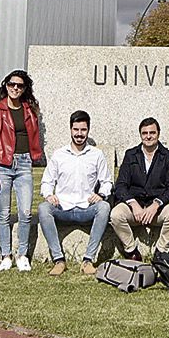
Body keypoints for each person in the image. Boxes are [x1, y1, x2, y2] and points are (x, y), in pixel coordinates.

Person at [37, 110, 113, 276]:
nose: (79, 134)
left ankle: (88, 260)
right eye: (76, 129)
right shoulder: (59, 155)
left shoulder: (96, 154)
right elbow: (47, 181)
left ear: (88, 130)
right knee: (43, 208)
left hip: (87, 208)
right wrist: (49, 195)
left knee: (105, 207)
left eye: (83, 130)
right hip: (62, 207)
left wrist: (100, 194)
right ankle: (58, 260)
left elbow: (107, 182)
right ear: (71, 129)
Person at [0, 70, 45, 272]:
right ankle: (5, 255)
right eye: (12, 84)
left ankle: (22, 254)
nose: (15, 88)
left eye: (20, 85)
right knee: (3, 214)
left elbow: (34, 136)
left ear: (25, 88)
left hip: (24, 163)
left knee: (26, 212)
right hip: (2, 164)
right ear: (6, 85)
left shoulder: (29, 110)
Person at [110, 117, 169, 261]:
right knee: (116, 215)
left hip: (157, 209)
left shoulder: (168, 157)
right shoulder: (131, 155)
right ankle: (131, 251)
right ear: (141, 135)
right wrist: (133, 203)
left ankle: (161, 252)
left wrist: (157, 204)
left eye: (152, 133)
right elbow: (121, 185)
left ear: (158, 134)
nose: (148, 136)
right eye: (145, 133)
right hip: (134, 209)